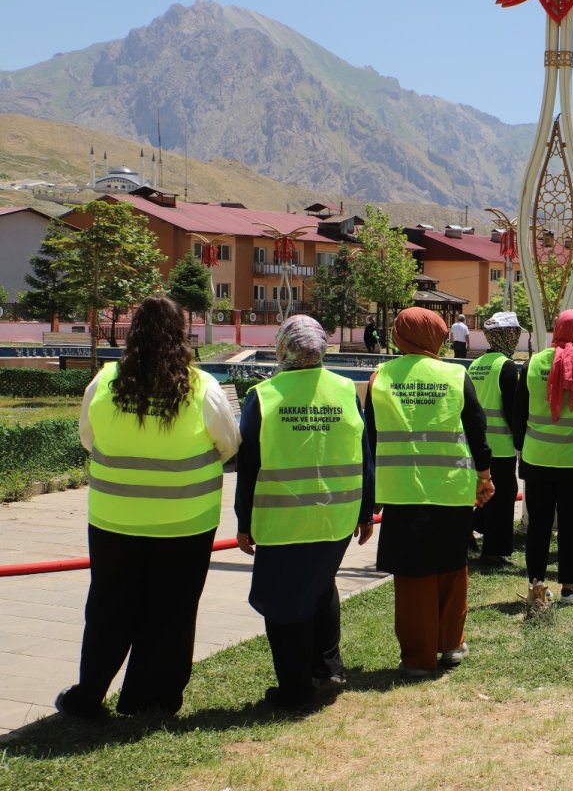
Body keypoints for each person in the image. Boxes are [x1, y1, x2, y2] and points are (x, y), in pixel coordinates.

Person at [57, 296, 239, 719]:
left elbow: (89, 438)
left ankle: (88, 695)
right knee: (171, 613)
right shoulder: (201, 387)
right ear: (182, 334)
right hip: (186, 523)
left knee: (108, 609)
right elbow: (229, 444)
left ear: (133, 332)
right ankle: (149, 700)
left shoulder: (103, 382)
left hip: (113, 520)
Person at [235, 315, 375, 708]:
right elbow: (365, 457)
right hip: (337, 516)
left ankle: (295, 690)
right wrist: (366, 512)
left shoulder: (264, 396)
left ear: (283, 347)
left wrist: (243, 522)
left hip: (283, 519)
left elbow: (249, 467)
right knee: (320, 586)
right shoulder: (346, 390)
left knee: (283, 602)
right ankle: (328, 669)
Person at [368, 307, 494, 677]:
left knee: (412, 576)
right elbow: (476, 428)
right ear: (438, 334)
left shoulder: (381, 377)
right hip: (452, 487)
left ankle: (418, 658)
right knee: (452, 567)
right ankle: (452, 644)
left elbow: (371, 437)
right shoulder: (456, 374)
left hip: (401, 490)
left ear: (399, 336)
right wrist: (484, 476)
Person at [513, 309, 573, 606]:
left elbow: (519, 410)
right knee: (572, 526)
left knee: (540, 526)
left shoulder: (533, 363)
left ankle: (537, 587)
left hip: (538, 458)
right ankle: (569, 589)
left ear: (557, 329)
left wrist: (522, 447)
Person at [468, 311, 523, 564]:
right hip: (500, 447)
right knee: (503, 498)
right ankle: (494, 552)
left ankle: (470, 532)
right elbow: (514, 410)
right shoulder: (506, 366)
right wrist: (521, 439)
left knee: (481, 496)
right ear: (508, 336)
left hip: (475, 446)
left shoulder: (476, 364)